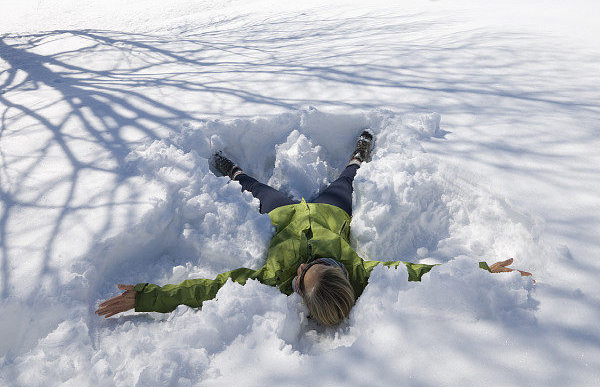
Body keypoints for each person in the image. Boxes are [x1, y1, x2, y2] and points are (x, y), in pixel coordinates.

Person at [96, 130, 534, 327]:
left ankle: (231, 170)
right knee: (346, 181)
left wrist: (150, 297)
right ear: (343, 272)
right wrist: (481, 271)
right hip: (329, 212)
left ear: (298, 292)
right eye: (325, 263)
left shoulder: (270, 281)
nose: (308, 263)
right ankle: (358, 155)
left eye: (305, 273)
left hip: (285, 216)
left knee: (258, 190)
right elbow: (419, 273)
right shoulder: (361, 272)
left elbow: (207, 291)